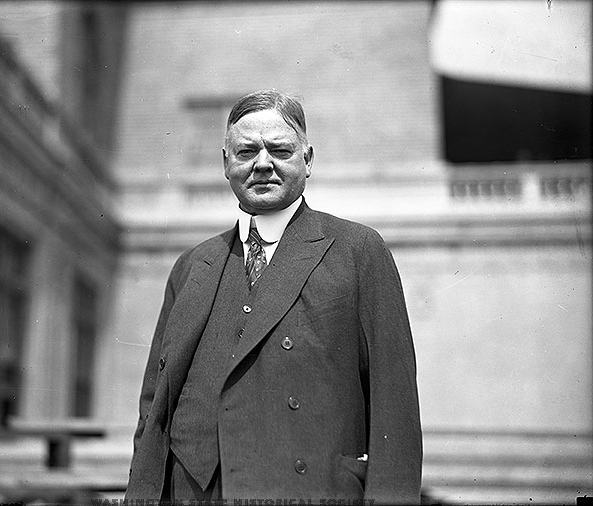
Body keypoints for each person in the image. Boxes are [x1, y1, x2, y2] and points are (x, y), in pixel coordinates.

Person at [126, 90, 422, 504]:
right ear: (226, 163)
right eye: (246, 151)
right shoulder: (191, 266)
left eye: (280, 150)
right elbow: (154, 407)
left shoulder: (358, 251)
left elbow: (395, 407)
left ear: (308, 160)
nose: (262, 164)